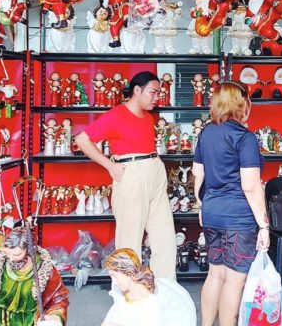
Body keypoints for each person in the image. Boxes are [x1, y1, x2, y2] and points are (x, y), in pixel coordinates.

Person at [75, 71, 176, 279]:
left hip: (154, 171)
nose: (157, 97)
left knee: (165, 238)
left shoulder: (148, 118)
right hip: (131, 172)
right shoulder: (116, 115)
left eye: (159, 93)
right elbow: (82, 139)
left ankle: (166, 288)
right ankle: (126, 293)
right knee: (129, 238)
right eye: (153, 92)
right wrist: (109, 166)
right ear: (137, 91)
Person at [192, 81, 270, 326]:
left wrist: (201, 205)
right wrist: (264, 225)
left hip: (213, 212)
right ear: (242, 103)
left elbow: (198, 173)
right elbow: (250, 185)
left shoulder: (206, 132)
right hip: (238, 217)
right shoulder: (244, 137)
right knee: (235, 280)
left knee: (215, 274)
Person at [0, 226, 69, 325]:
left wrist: (54, 317)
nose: (11, 259)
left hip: (30, 321)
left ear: (29, 251)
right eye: (8, 254)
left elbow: (59, 298)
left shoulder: (44, 269)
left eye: (17, 255)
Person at [102, 248, 196, 326]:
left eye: (115, 276)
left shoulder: (148, 301)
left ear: (128, 272)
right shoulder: (127, 296)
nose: (114, 282)